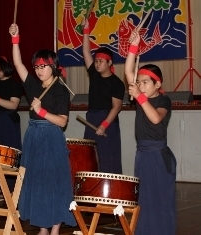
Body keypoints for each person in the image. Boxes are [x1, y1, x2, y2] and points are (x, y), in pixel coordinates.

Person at [9, 23, 76, 235]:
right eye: (36, 67)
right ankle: (43, 226)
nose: (39, 70)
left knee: (54, 182)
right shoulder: (33, 85)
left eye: (43, 66)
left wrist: (41, 111)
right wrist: (15, 39)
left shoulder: (60, 89)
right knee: (37, 182)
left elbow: (63, 122)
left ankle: (55, 227)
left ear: (53, 66)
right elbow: (18, 63)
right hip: (34, 137)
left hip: (51, 136)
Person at [125, 30, 176, 235]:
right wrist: (134, 47)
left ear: (158, 84)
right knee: (143, 200)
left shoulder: (164, 100)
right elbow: (129, 71)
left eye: (145, 82)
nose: (140, 85)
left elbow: (156, 118)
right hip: (143, 155)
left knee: (160, 200)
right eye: (139, 81)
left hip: (158, 156)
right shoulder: (140, 97)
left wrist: (139, 96)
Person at [81, 18, 126, 174]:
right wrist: (86, 31)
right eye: (96, 61)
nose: (97, 64)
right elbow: (86, 52)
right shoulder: (94, 74)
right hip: (91, 118)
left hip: (108, 120)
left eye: (100, 61)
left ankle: (110, 191)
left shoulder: (117, 83)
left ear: (109, 63)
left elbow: (117, 107)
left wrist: (104, 124)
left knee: (108, 158)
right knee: (91, 156)